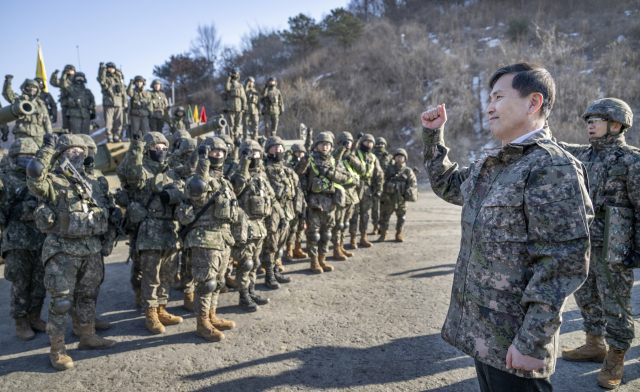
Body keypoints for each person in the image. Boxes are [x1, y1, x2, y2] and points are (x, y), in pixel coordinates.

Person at [421, 63, 593, 391]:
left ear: (533, 102)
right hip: (484, 333)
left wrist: (531, 342)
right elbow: (447, 184)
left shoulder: (551, 166)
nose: (489, 107)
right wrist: (433, 135)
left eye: (499, 97)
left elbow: (562, 265)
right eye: (489, 98)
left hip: (516, 339)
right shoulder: (497, 164)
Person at [557, 98, 639, 389]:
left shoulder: (632, 160)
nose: (590, 124)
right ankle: (595, 344)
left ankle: (617, 355)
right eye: (588, 120)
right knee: (587, 296)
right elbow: (556, 145)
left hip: (615, 247)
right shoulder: (584, 155)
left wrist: (637, 250)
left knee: (616, 303)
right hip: (585, 243)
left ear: (616, 125)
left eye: (597, 120)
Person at [26, 134, 117, 371]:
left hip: (91, 247)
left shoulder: (92, 181)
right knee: (62, 302)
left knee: (88, 294)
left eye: (79, 149)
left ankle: (87, 336)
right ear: (60, 155)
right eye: (70, 150)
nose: (77, 153)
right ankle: (58, 349)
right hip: (62, 251)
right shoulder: (52, 181)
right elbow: (35, 176)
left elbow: (104, 209)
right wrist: (47, 149)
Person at [122, 131, 185, 334]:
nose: (160, 152)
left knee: (167, 273)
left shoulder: (171, 172)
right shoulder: (141, 171)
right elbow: (131, 173)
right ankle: (150, 313)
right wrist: (136, 145)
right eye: (155, 148)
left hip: (170, 229)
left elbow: (184, 188)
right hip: (150, 232)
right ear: (147, 150)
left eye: (164, 148)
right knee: (151, 274)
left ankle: (162, 308)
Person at [177, 137, 237, 341]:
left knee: (218, 281)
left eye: (221, 151)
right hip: (205, 238)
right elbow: (198, 195)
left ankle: (212, 316)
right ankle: (202, 323)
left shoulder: (225, 182)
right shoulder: (198, 178)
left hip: (223, 238)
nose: (217, 155)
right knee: (206, 284)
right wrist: (202, 161)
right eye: (213, 151)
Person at [229, 140, 285, 311]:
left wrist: (280, 215)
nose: (254, 157)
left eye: (257, 153)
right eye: (250, 153)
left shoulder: (261, 175)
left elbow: (272, 197)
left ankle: (251, 290)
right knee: (245, 263)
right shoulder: (236, 173)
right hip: (244, 226)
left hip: (260, 226)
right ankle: (243, 295)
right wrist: (243, 163)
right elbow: (236, 189)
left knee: (254, 262)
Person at [1, 138, 47, 341]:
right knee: (20, 283)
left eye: (30, 157)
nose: (26, 160)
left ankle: (34, 317)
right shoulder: (5, 179)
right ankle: (20, 321)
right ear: (12, 158)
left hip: (39, 239)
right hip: (17, 242)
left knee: (39, 282)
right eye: (22, 157)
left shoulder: (40, 179)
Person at [295, 132, 355, 274]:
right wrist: (304, 160)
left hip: (330, 202)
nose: (325, 146)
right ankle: (314, 261)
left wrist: (329, 173)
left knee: (327, 233)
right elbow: (297, 172)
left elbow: (346, 177)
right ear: (317, 145)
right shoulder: (310, 159)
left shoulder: (334, 161)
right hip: (314, 203)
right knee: (313, 234)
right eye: (322, 144)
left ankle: (323, 259)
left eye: (327, 144)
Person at [262, 136, 297, 283]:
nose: (278, 149)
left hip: (287, 211)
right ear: (268, 150)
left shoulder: (286, 170)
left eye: (280, 147)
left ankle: (276, 271)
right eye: (274, 147)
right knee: (270, 245)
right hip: (272, 213)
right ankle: (269, 276)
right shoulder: (265, 169)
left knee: (281, 243)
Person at [331, 132, 365, 260]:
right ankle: (336, 249)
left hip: (351, 195)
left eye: (350, 142)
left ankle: (341, 247)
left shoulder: (351, 156)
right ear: (339, 143)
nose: (348, 144)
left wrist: (350, 158)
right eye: (345, 142)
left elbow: (362, 170)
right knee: (338, 224)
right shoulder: (335, 156)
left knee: (345, 223)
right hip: (341, 195)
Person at [348, 134, 383, 249]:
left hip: (367, 190)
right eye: (367, 142)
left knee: (365, 215)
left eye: (371, 142)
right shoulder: (356, 154)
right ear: (362, 142)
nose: (369, 144)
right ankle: (353, 239)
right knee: (353, 216)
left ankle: (363, 238)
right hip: (355, 188)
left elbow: (379, 175)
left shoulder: (373, 157)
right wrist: (356, 140)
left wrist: (379, 189)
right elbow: (350, 151)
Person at [377, 148, 417, 242]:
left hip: (401, 199)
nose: (399, 159)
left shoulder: (408, 171)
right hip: (387, 198)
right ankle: (383, 234)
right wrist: (383, 160)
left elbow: (412, 183)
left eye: (401, 157)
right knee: (384, 217)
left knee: (401, 218)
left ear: (405, 159)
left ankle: (398, 234)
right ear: (394, 158)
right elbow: (380, 174)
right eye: (397, 157)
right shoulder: (388, 168)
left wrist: (409, 190)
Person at [3, 76, 52, 146]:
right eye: (29, 87)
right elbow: (8, 95)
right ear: (24, 88)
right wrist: (7, 82)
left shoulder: (41, 104)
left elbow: (47, 122)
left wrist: (50, 137)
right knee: (21, 155)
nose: (31, 89)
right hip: (22, 134)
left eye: (34, 87)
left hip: (38, 136)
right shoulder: (19, 100)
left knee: (38, 155)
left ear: (37, 89)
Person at [286, 143, 308, 260]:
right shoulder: (289, 165)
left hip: (305, 197)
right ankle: (289, 249)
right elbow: (297, 171)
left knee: (302, 225)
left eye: (302, 152)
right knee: (293, 226)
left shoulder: (308, 164)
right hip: (294, 198)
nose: (300, 154)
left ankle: (298, 248)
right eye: (297, 152)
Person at [97, 62, 127, 142]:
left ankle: (117, 136)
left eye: (112, 68)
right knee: (109, 122)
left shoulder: (118, 79)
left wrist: (125, 103)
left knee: (118, 122)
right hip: (109, 103)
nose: (110, 69)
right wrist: (102, 69)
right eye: (109, 68)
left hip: (119, 103)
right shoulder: (105, 78)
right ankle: (109, 137)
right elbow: (101, 79)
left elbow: (123, 92)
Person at [372, 137, 391, 235]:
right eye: (378, 144)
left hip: (386, 186)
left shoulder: (389, 157)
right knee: (375, 208)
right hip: (374, 185)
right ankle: (375, 226)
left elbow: (394, 169)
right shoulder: (372, 156)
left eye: (382, 144)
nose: (380, 146)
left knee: (384, 208)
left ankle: (382, 227)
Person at [50, 65, 75, 131]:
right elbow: (53, 82)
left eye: (71, 70)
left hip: (75, 105)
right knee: (66, 123)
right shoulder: (62, 80)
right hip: (65, 104)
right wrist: (55, 74)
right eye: (67, 70)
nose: (69, 72)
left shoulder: (76, 80)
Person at [223, 69, 246, 140]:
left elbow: (243, 97)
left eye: (235, 74)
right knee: (231, 124)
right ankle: (231, 136)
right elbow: (226, 88)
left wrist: (244, 106)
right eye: (233, 74)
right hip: (230, 107)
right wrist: (228, 78)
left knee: (238, 123)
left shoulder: (240, 86)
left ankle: (236, 135)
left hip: (239, 108)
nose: (234, 75)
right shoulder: (229, 84)